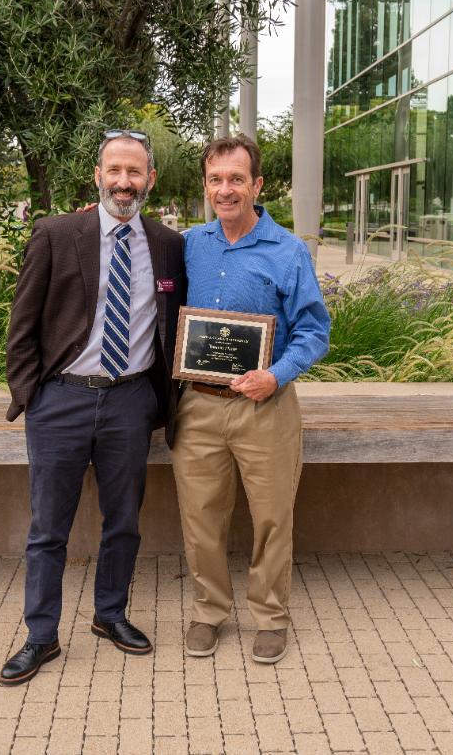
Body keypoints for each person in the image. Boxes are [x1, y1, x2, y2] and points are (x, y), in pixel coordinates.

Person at [1, 130, 186, 685]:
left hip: (131, 399)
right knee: (47, 529)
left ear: (150, 179)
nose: (124, 182)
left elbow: (177, 322)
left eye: (135, 173)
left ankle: (110, 616)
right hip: (60, 400)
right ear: (98, 176)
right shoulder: (57, 234)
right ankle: (40, 636)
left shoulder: (169, 244)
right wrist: (31, 395)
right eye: (115, 171)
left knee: (124, 522)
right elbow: (22, 325)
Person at [174, 133, 330, 664]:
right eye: (216, 180)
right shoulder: (190, 244)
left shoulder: (288, 252)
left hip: (266, 405)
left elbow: (314, 332)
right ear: (206, 186)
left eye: (236, 178)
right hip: (198, 404)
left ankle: (269, 617)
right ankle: (209, 612)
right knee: (200, 516)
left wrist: (277, 374)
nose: (226, 189)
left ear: (257, 185)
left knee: (271, 517)